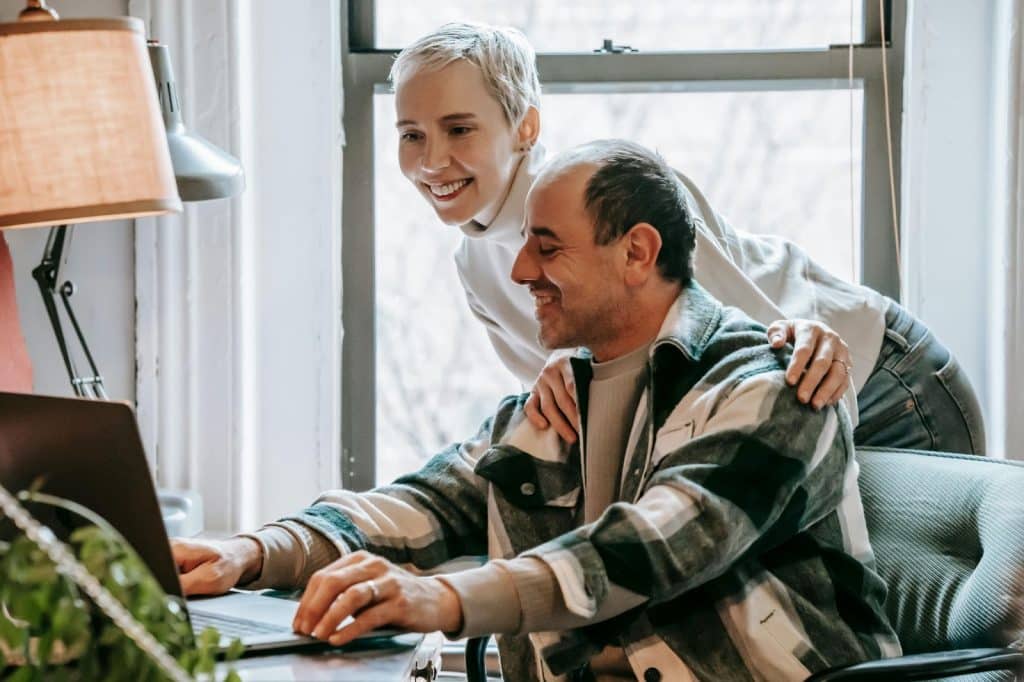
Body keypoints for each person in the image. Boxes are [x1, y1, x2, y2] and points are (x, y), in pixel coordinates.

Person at [174, 140, 899, 681]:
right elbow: (426, 501)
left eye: (547, 247)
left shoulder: (775, 385)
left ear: (637, 253)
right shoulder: (557, 396)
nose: (521, 270)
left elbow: (654, 547)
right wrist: (253, 553)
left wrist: (440, 599)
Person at [390, 22, 986, 454]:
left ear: (526, 126)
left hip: (882, 384)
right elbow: (581, 412)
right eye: (412, 135)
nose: (432, 160)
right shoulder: (476, 264)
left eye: (459, 128)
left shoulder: (618, 193)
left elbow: (755, 347)